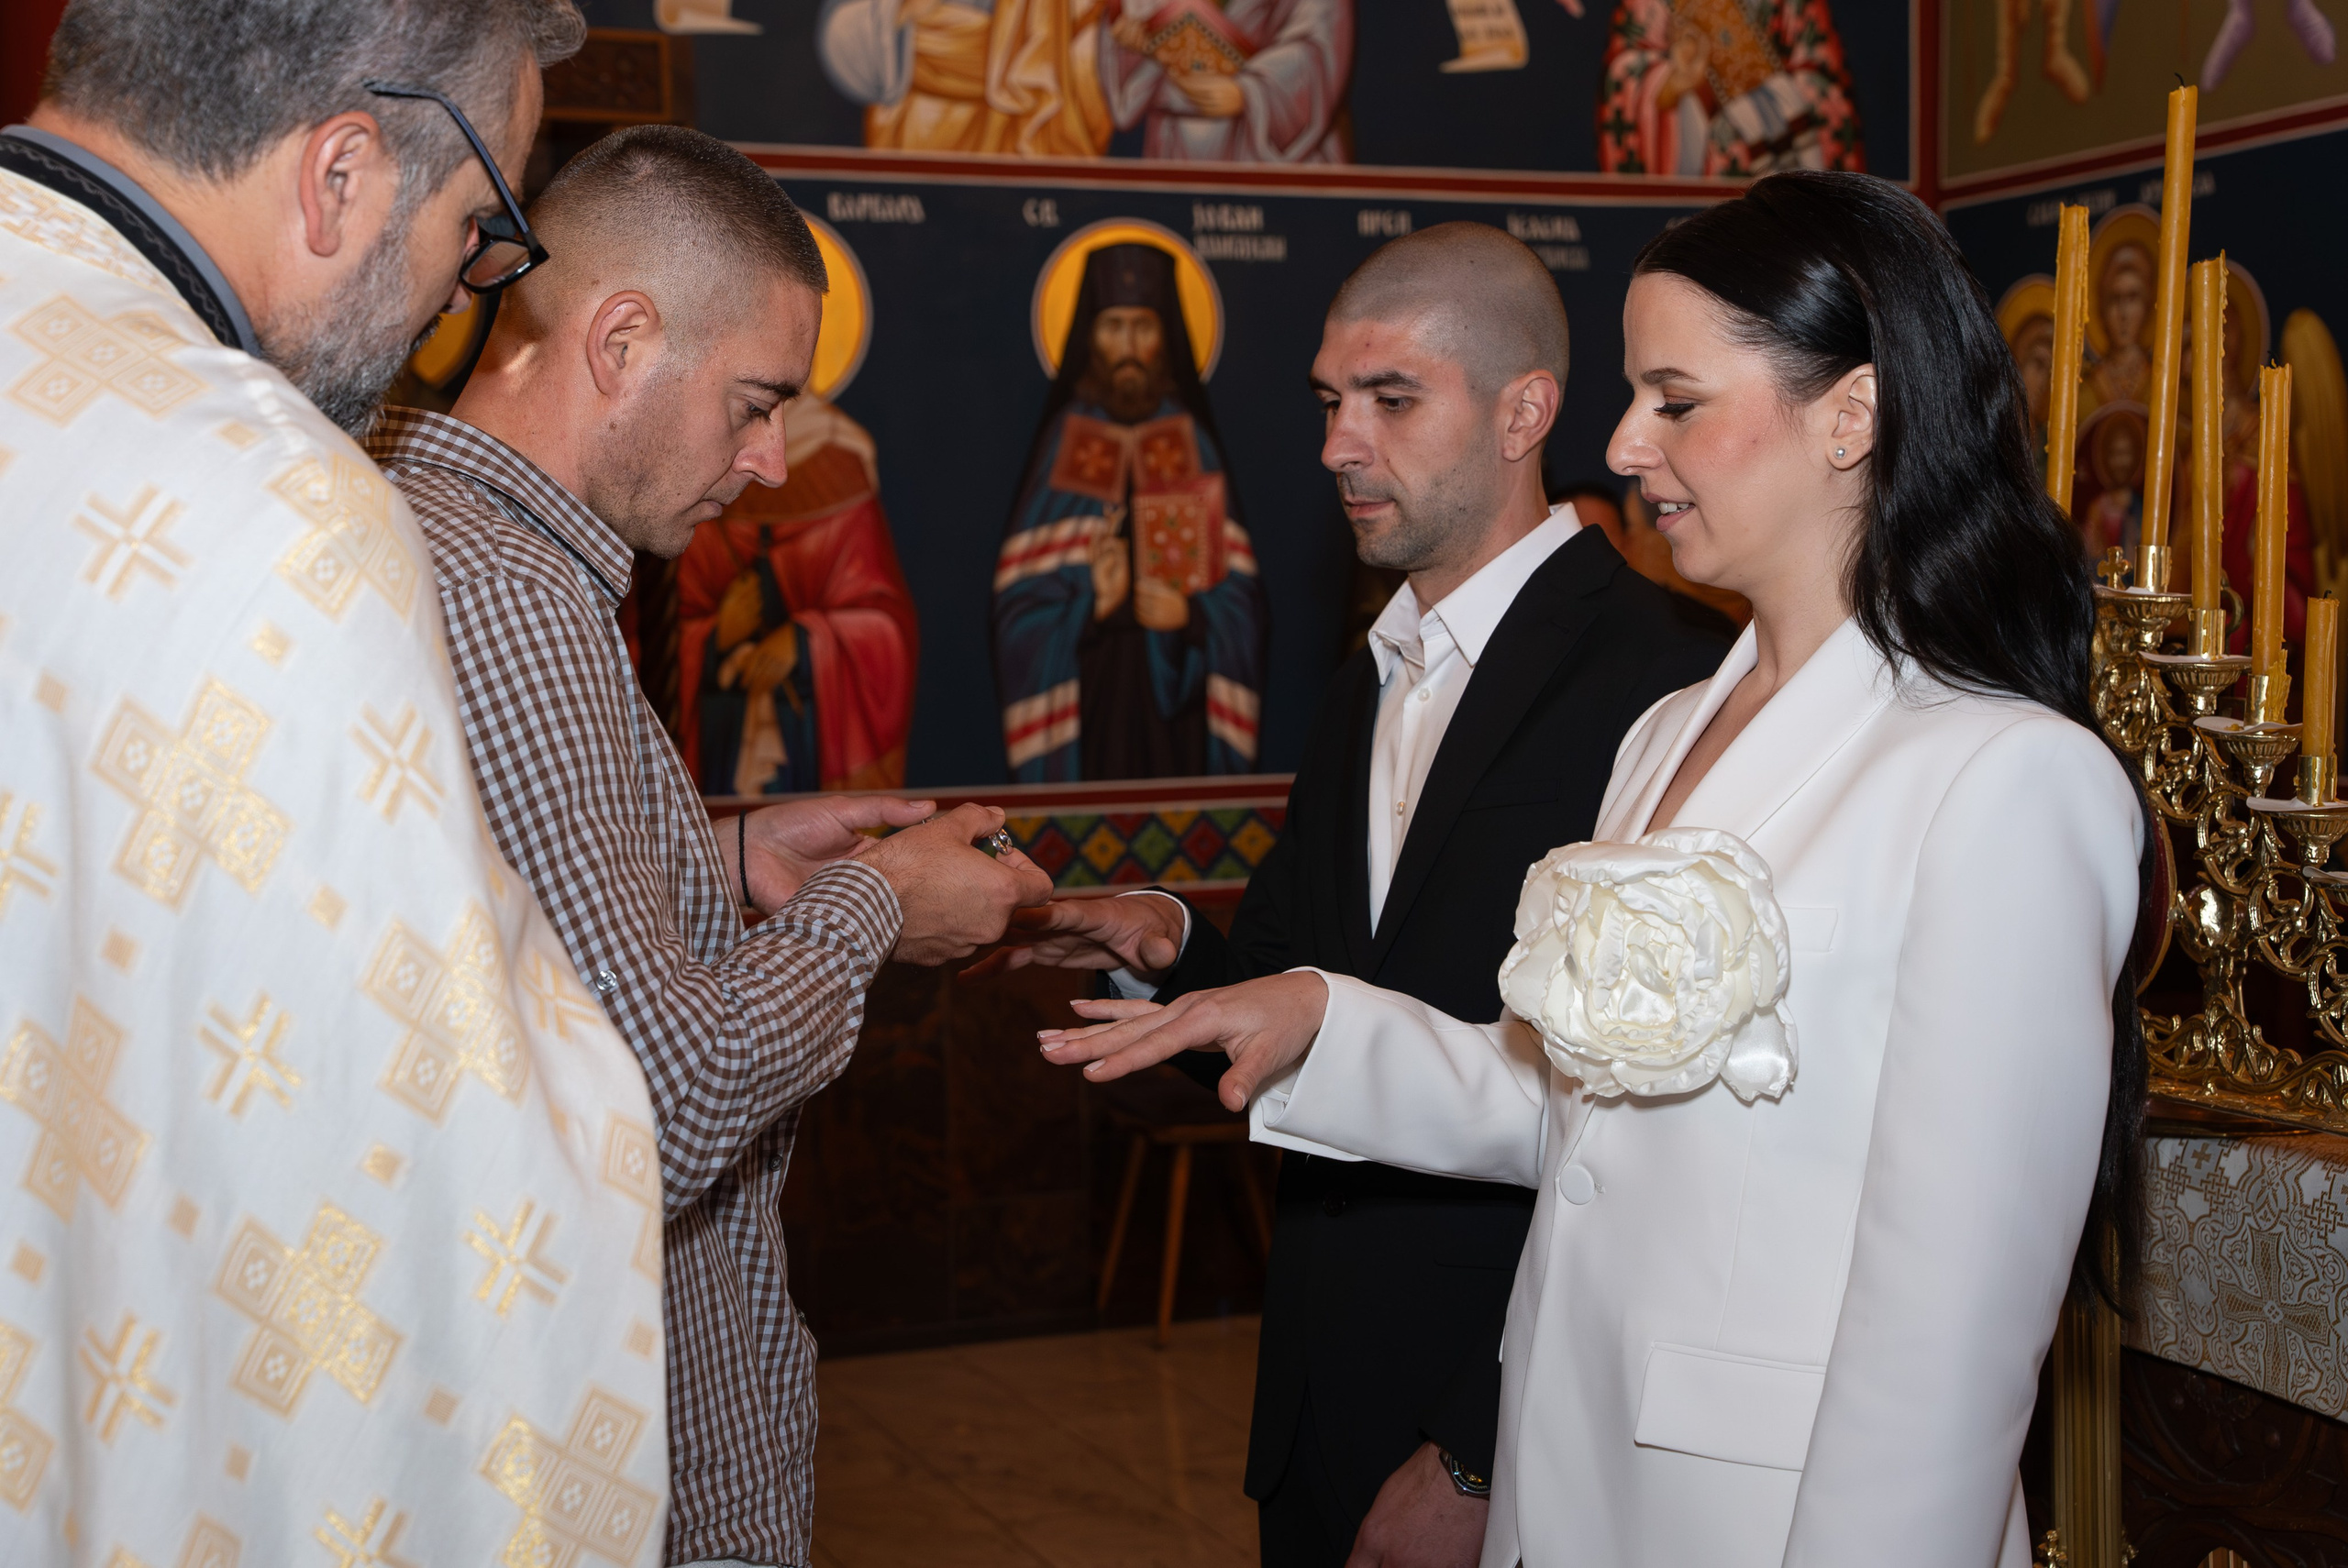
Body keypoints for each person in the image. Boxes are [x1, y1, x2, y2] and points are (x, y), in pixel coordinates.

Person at [1035, 172, 2147, 1566]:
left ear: (1849, 415)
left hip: (1769, 1512)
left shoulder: (2001, 779)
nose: (1623, 444)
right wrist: (1325, 1015)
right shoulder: (1669, 733)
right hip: (1575, 1481)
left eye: (1674, 401)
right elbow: (1574, 1108)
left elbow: (1951, 1328)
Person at [0, 2, 673, 1561]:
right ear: (342, 177)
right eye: (476, 224)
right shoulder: (269, 502)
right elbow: (430, 1184)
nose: (464, 292)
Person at [983, 222, 1727, 1567]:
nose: (1338, 442)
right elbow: (1301, 970)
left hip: (1512, 1418)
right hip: (1318, 1396)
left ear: (1525, 413)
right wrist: (1164, 945)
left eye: (1392, 400)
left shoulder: (1662, 679)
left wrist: (1477, 1445)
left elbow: (1646, 1141)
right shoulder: (1369, 676)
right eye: (1331, 401)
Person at [365, 124, 1054, 1568]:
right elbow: (656, 1104)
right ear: (619, 338)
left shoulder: (455, 539)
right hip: (636, 1455)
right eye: (753, 402)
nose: (765, 459)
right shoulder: (516, 601)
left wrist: (725, 852)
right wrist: (875, 902)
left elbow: (521, 924)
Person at [992, 241, 1269, 780]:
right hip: (1089, 711)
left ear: (1166, 337)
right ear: (1089, 336)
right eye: (1112, 326)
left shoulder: (1190, 444)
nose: (1127, 346)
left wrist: (1188, 620)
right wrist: (1096, 605)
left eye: (1142, 327)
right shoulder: (1064, 445)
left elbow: (1242, 604)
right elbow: (1017, 611)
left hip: (1178, 718)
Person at [668, 392, 920, 794]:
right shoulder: (699, 454)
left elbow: (885, 624)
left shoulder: (839, 459)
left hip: (806, 737)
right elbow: (650, 637)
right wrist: (716, 637)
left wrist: (805, 642)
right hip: (719, 748)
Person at [1598, 0, 1864, 177]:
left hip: (1785, 155)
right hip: (1704, 179)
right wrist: (1674, 82)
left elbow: (1821, 69)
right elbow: (1625, 74)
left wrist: (1780, 93)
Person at [815, 0, 1111, 157]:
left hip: (1027, 135)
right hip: (923, 128)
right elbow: (842, 34)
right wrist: (902, 9)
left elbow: (1089, 35)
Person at [1100, 0, 1354, 163]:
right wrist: (1133, 43)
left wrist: (1245, 92)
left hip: (1266, 147)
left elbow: (1318, 45)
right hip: (1179, 145)